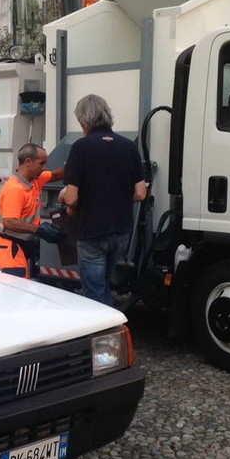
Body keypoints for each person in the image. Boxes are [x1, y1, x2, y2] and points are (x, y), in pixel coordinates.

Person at [61, 94, 146, 305]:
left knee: (94, 294)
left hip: (92, 233)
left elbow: (71, 198)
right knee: (105, 286)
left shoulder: (81, 148)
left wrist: (74, 204)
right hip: (121, 233)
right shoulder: (128, 146)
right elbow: (141, 193)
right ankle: (111, 328)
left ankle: (100, 334)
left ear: (83, 120)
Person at [0, 143, 64, 277]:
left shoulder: (35, 181)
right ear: (28, 162)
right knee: (14, 294)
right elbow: (10, 222)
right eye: (41, 164)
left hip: (21, 248)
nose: (44, 168)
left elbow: (55, 175)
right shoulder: (15, 189)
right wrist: (40, 230)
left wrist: (80, 164)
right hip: (10, 252)